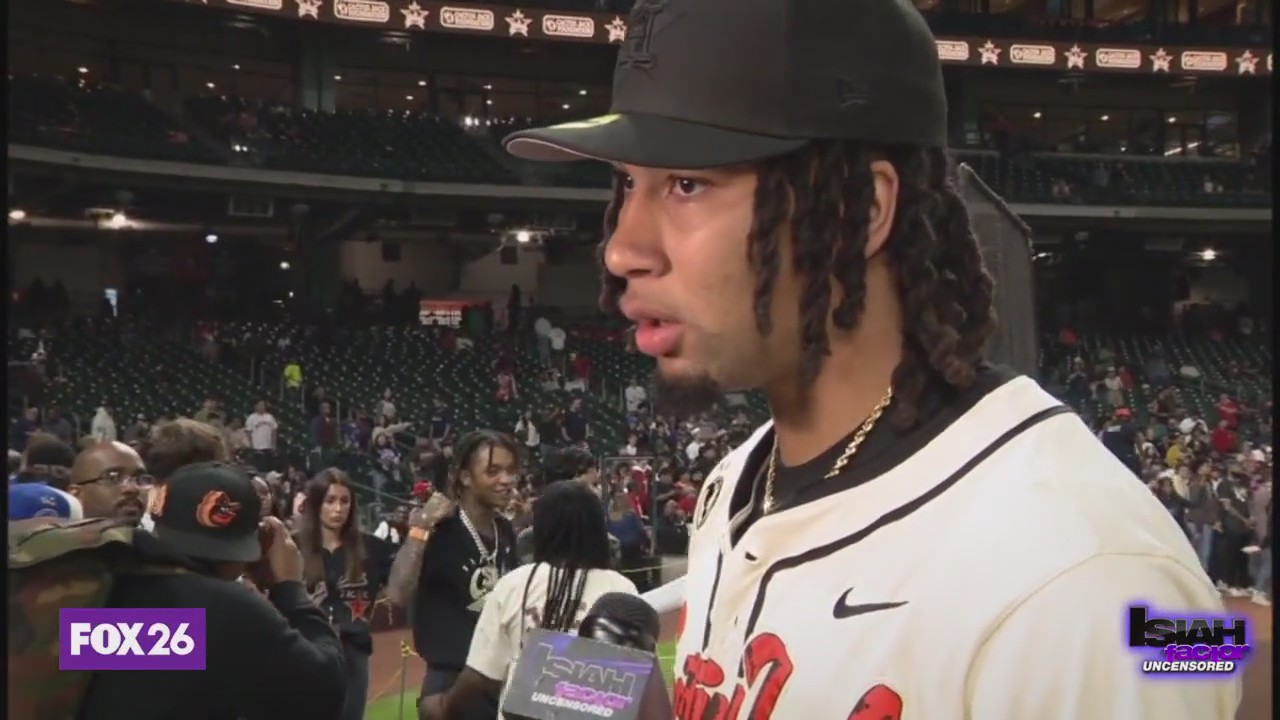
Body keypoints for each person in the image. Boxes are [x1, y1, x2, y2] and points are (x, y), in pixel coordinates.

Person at [502, 0, 1237, 717]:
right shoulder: (739, 480)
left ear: (863, 210)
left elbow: (1208, 653)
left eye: (689, 184)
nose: (623, 248)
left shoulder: (1083, 577)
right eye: (628, 184)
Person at [75, 462, 348, 719]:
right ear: (240, 551)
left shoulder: (100, 587)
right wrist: (290, 589)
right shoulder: (227, 611)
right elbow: (323, 693)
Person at [420, 480, 638, 719]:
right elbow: (635, 678)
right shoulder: (621, 587)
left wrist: (443, 705)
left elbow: (480, 677)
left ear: (541, 530)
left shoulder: (515, 585)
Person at [386, 430, 521, 719]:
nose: (507, 480)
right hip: (452, 685)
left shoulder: (506, 531)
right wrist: (421, 527)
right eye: (494, 471)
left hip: (499, 681)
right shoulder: (440, 530)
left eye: (511, 471)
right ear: (465, 477)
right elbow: (397, 594)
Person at [295, 468, 397, 720]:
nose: (338, 509)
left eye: (344, 501)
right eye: (330, 501)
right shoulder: (292, 547)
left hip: (353, 655)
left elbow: (403, 582)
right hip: (303, 654)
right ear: (316, 503)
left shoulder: (372, 548)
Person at [67, 440, 152, 525]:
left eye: (140, 479)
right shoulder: (58, 537)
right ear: (76, 495)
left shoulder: (154, 535)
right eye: (113, 478)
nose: (133, 488)